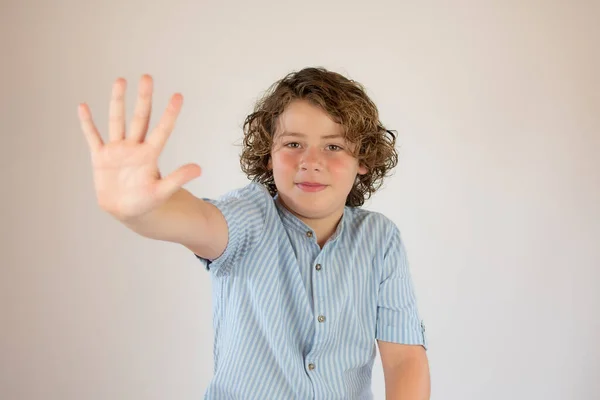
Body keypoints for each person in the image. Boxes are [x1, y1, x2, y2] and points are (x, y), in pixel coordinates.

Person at [78, 67, 430, 399]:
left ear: (363, 160)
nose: (310, 160)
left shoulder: (380, 239)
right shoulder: (249, 217)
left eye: (333, 146)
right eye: (293, 144)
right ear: (268, 155)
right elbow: (198, 220)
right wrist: (141, 208)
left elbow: (403, 358)